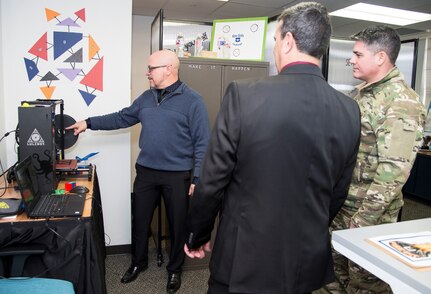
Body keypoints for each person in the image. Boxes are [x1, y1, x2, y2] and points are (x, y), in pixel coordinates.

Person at [183, 2, 361, 293]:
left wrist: (198, 233)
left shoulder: (245, 95)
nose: (275, 48)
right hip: (304, 258)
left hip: (244, 258)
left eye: (276, 40)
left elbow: (212, 180)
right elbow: (338, 190)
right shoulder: (349, 109)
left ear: (289, 41)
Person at [67, 49, 210, 293]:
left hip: (178, 175)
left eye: (151, 68)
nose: (147, 73)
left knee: (178, 225)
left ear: (169, 69)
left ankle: (174, 270)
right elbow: (122, 117)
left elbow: (202, 142)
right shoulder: (146, 97)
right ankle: (138, 263)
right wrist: (88, 123)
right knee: (140, 221)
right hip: (146, 172)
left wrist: (197, 177)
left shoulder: (193, 101)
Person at [325, 26, 426, 293]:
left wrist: (362, 221)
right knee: (335, 277)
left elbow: (393, 172)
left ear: (380, 57)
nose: (352, 60)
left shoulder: (401, 102)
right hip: (342, 206)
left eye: (358, 54)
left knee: (365, 284)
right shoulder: (360, 94)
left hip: (369, 214)